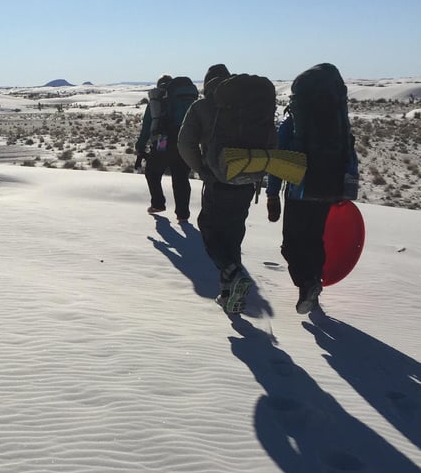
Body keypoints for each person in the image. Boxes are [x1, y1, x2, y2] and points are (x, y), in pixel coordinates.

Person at [266, 62, 358, 314]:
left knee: (291, 245)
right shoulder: (340, 119)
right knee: (314, 239)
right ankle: (313, 285)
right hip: (331, 187)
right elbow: (350, 153)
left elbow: (279, 159)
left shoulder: (294, 120)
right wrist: (347, 190)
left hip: (300, 188)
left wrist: (272, 193)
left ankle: (307, 285)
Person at [177, 63, 258, 313]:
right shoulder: (249, 105)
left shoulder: (202, 106)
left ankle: (232, 273)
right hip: (247, 180)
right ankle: (228, 293)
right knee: (233, 233)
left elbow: (184, 143)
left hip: (217, 180)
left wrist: (200, 169)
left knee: (210, 231)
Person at [133, 74, 198, 222]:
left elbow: (147, 128)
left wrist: (140, 146)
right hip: (184, 142)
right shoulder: (187, 100)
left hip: (163, 143)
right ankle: (183, 215)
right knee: (181, 178)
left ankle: (158, 204)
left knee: (152, 172)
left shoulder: (157, 101)